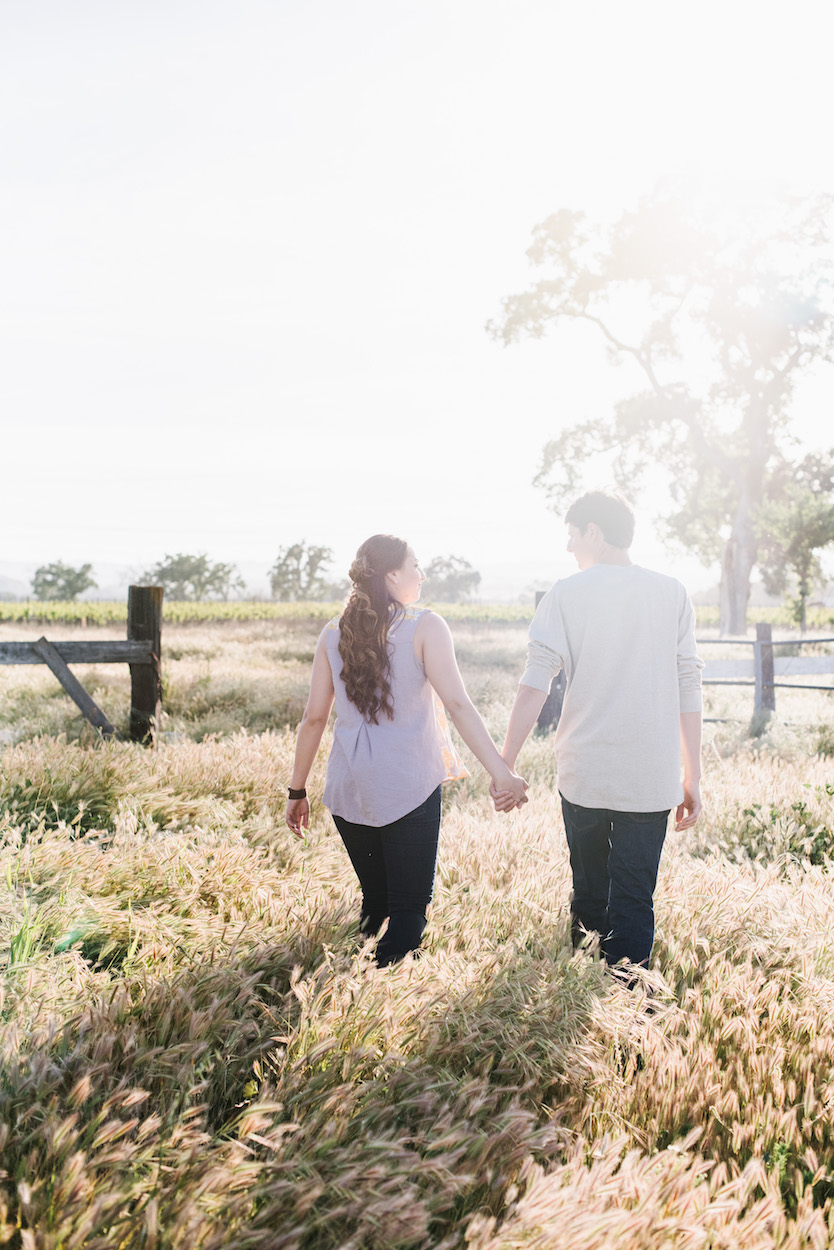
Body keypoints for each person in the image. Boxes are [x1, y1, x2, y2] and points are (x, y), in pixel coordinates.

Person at [285, 533, 527, 966]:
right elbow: (457, 704)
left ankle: (353, 998)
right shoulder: (425, 625)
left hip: (349, 787)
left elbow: (314, 720)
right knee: (408, 912)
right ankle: (382, 999)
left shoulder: (331, 632)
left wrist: (296, 791)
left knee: (376, 905)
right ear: (393, 574)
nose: (422, 573)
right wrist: (501, 772)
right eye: (416, 564)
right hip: (408, 783)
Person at [494, 490, 703, 972]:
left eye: (572, 534)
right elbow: (688, 685)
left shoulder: (565, 593)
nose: (569, 547)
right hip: (650, 778)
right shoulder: (672, 591)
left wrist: (505, 763)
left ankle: (582, 994)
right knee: (633, 898)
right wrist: (692, 775)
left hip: (584, 771)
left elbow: (535, 682)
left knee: (589, 891)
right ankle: (626, 1012)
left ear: (594, 532)